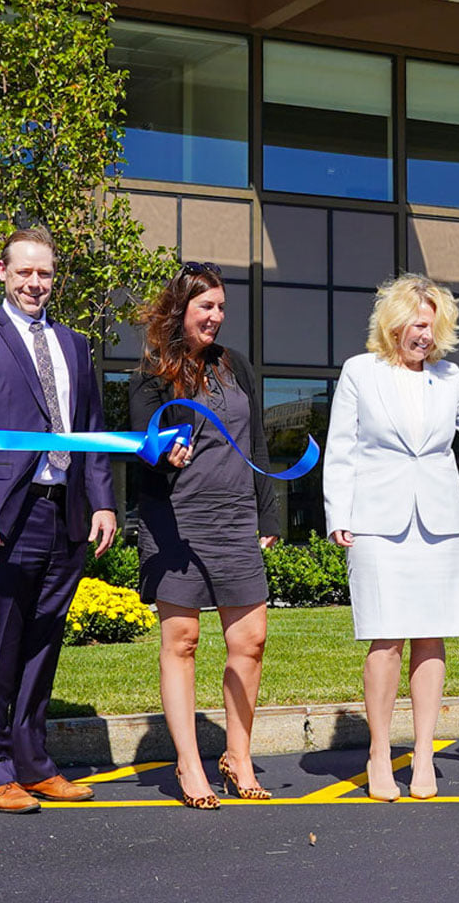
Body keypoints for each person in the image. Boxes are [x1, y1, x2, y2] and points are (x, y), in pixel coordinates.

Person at [323, 274, 459, 801]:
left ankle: (423, 755)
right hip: (377, 522)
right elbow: (341, 447)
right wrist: (339, 512)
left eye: (432, 326)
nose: (423, 335)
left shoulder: (448, 378)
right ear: (394, 322)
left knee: (431, 637)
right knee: (385, 637)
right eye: (416, 324)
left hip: (441, 526)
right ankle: (380, 753)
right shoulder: (360, 372)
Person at [0, 226, 118, 814]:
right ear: (2, 272)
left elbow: (89, 432)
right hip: (2, 516)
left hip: (64, 513)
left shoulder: (74, 344)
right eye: (24, 273)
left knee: (44, 641)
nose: (35, 283)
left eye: (44, 274)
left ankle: (33, 763)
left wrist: (103, 501)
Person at [129, 261, 280, 810]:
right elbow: (143, 447)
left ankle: (237, 755)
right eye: (205, 307)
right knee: (183, 643)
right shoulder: (151, 373)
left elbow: (256, 442)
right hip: (177, 524)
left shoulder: (234, 365)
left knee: (250, 641)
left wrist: (269, 516)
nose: (215, 317)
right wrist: (165, 454)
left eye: (220, 307)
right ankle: (189, 764)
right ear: (180, 310)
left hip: (236, 520)